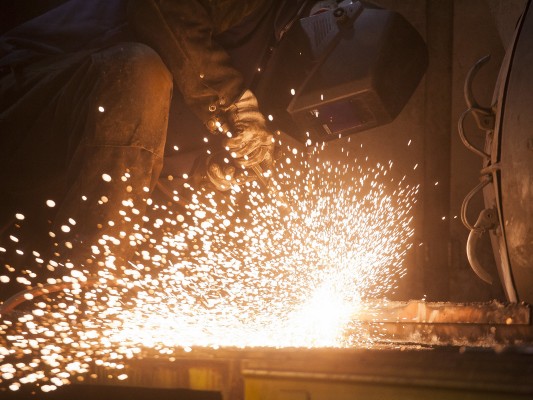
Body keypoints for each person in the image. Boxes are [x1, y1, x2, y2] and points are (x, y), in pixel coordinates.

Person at [0, 0, 304, 269]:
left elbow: (138, 147)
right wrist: (237, 102)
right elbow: (160, 12)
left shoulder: (278, 49)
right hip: (23, 94)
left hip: (78, 153)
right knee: (137, 70)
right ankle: (92, 284)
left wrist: (208, 173)